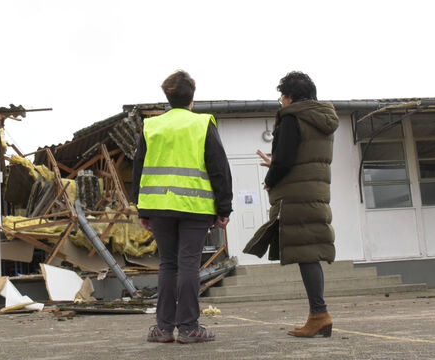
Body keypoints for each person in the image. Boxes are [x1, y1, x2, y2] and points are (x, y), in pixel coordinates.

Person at [132, 70, 233, 344]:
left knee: (168, 264)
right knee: (189, 263)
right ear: (192, 97)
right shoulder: (202, 124)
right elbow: (219, 167)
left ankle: (163, 328)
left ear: (167, 96)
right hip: (195, 205)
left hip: (159, 205)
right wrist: (224, 208)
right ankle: (189, 328)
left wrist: (142, 209)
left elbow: (138, 169)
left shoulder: (151, 126)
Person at [251, 71, 339, 337]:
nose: (281, 102)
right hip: (315, 192)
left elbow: (287, 160)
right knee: (310, 253)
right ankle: (318, 314)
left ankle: (319, 314)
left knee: (306, 254)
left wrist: (271, 176)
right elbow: (300, 155)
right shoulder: (322, 118)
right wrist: (276, 161)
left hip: (296, 195)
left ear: (289, 97)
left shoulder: (292, 118)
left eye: (282, 97)